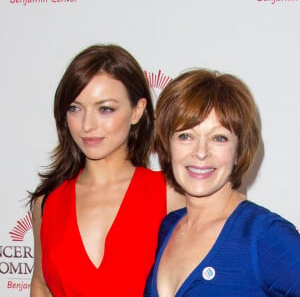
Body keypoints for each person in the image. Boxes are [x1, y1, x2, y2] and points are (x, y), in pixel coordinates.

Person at [29, 44, 185, 296]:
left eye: (105, 109)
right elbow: (41, 285)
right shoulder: (47, 202)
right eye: (75, 108)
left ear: (137, 110)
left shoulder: (171, 195)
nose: (87, 125)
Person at [144, 69, 300, 296]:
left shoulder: (264, 235)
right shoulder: (169, 226)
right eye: (185, 136)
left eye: (219, 138)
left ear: (239, 151)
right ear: (167, 146)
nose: (200, 152)